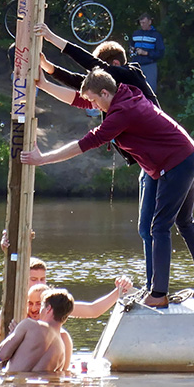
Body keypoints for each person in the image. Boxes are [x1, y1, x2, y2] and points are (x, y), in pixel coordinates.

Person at [21, 68, 194, 308]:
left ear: (105, 92)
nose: (92, 106)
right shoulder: (124, 94)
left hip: (177, 164)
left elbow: (87, 142)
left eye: (94, 100)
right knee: (184, 222)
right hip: (190, 156)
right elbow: (79, 99)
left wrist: (43, 159)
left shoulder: (122, 112)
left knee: (160, 227)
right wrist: (45, 84)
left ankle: (159, 294)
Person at [35, 22, 161, 291]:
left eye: (98, 71)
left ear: (112, 65)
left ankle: (156, 288)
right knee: (150, 228)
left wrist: (51, 36)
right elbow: (80, 92)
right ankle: (155, 286)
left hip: (162, 163)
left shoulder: (129, 77)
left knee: (153, 228)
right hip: (149, 165)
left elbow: (86, 64)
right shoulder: (112, 92)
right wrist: (49, 74)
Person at [0, 253, 132, 353]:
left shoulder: (53, 303)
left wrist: (119, 290)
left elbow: (92, 310)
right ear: (24, 280)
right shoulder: (14, 305)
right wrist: (18, 342)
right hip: (21, 361)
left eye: (42, 279)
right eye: (34, 279)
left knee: (62, 335)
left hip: (49, 361)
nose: (39, 283)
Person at [0, 287, 75, 374]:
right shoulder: (62, 352)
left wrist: (13, 334)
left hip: (15, 385)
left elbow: (2, 354)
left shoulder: (29, 325)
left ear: (48, 309)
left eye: (42, 306)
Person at [130, 12, 165, 91]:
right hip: (136, 65)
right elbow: (131, 46)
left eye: (144, 23)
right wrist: (132, 50)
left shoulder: (156, 35)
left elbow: (160, 53)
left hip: (150, 65)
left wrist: (146, 53)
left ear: (150, 22)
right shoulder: (136, 34)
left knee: (150, 90)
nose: (142, 25)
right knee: (135, 89)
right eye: (141, 23)